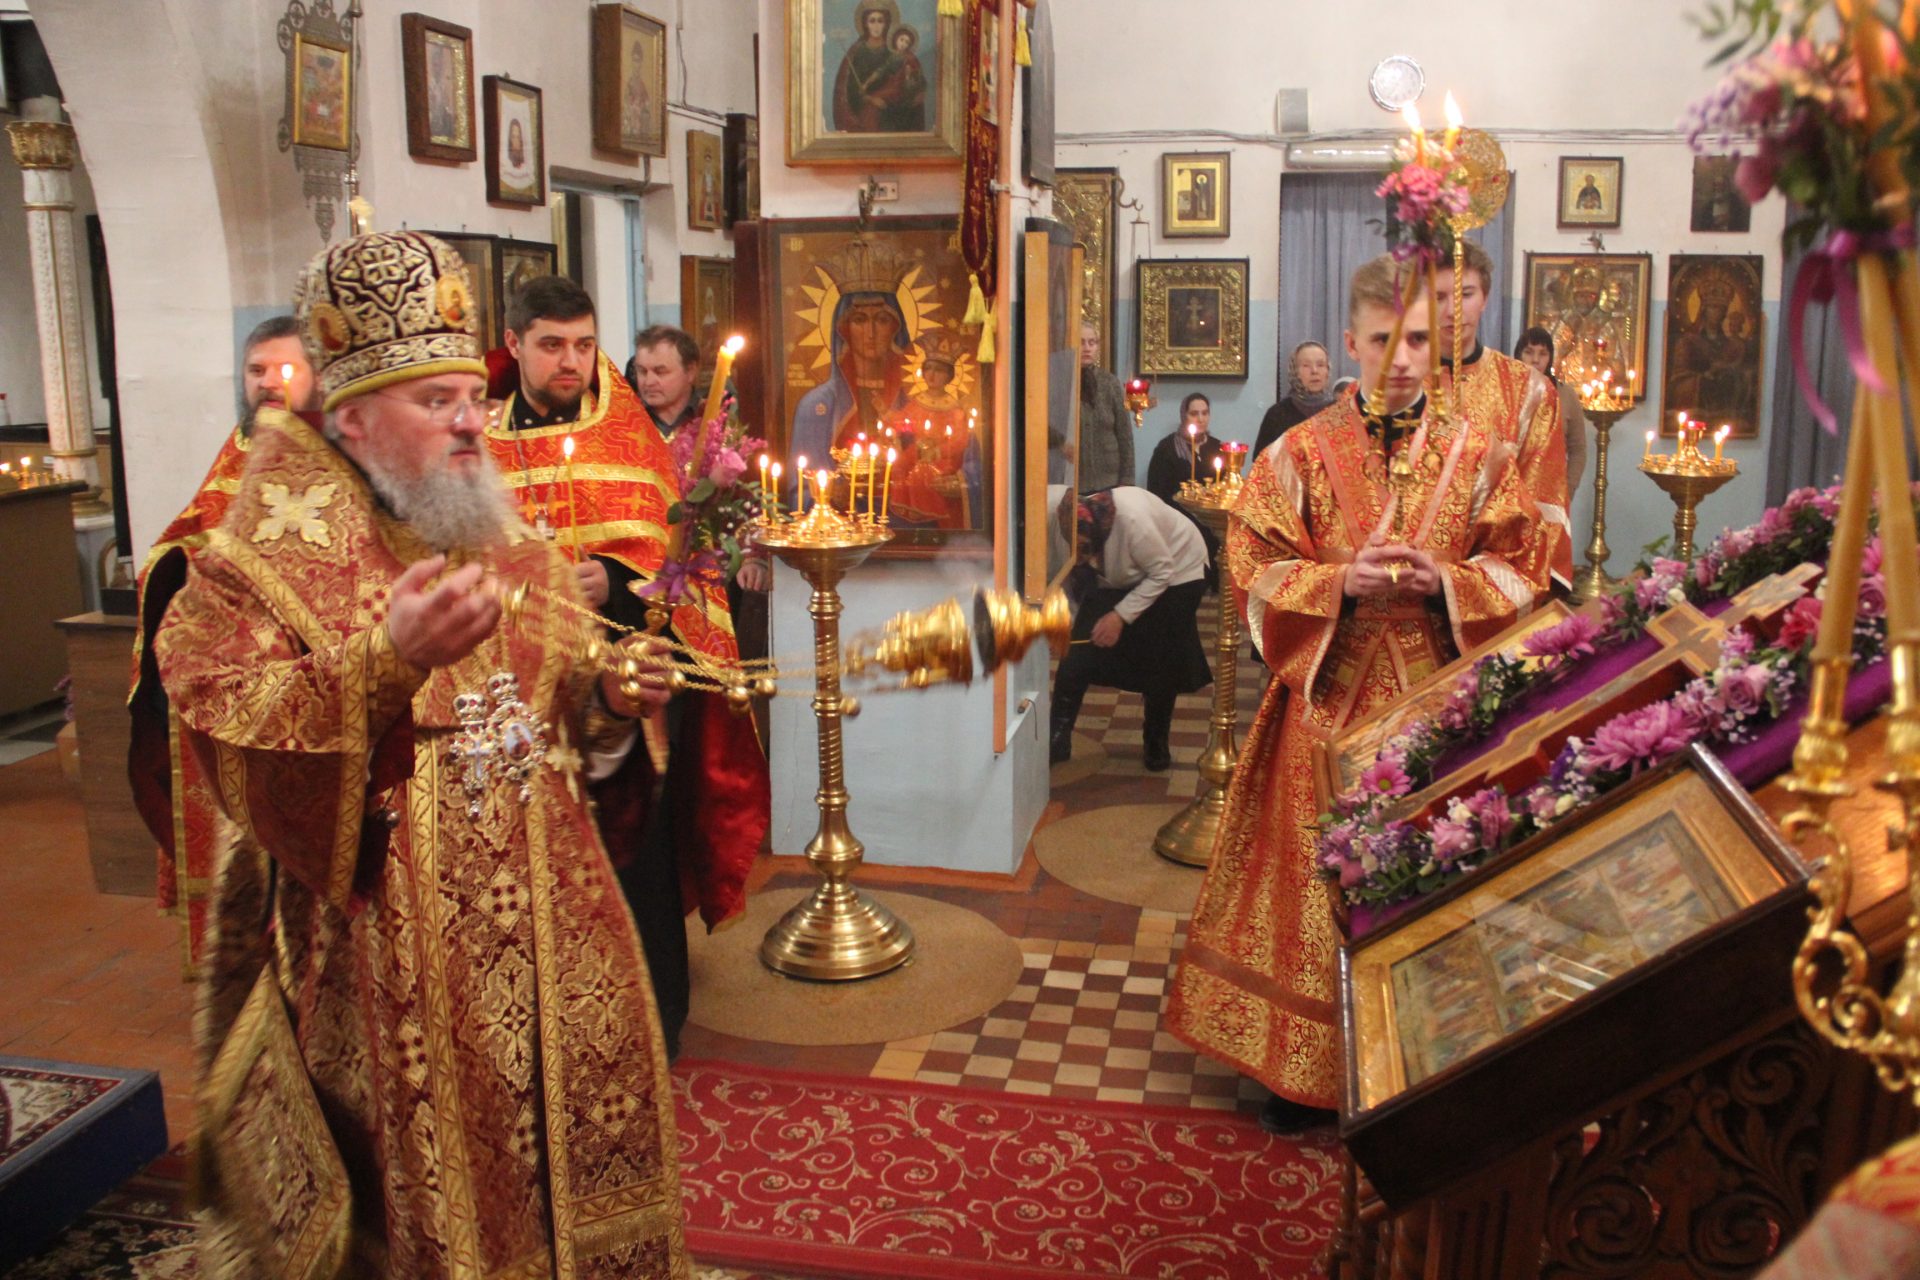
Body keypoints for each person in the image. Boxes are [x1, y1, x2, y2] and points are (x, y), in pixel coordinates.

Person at [149, 230, 690, 1275]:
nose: (470, 420)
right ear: (352, 417)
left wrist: (614, 701)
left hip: (554, 934)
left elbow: (566, 722)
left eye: (471, 395)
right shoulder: (265, 558)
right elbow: (218, 710)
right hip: (387, 958)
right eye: (436, 399)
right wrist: (383, 662)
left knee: (555, 1171)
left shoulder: (507, 540)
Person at [1164, 254, 1552, 1135]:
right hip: (1325, 707)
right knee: (1315, 878)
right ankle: (1302, 1071)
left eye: (1417, 338)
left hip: (1437, 709)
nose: (1403, 359)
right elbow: (1251, 565)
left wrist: (1446, 581)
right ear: (1352, 343)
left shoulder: (1480, 455)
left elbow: (1524, 567)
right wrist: (1340, 582)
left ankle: (1422, 1055)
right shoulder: (1299, 454)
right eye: (1383, 341)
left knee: (1428, 871)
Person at [485, 277, 770, 1062]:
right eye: (551, 346)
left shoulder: (624, 436)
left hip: (627, 699)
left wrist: (611, 580)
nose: (571, 363)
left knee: (634, 861)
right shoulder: (478, 444)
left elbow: (673, 564)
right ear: (514, 345)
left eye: (583, 345)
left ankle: (654, 1023)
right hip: (518, 702)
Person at [129, 315, 318, 976]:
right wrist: (180, 572)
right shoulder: (236, 450)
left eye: (286, 368)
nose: (269, 382)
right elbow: (186, 540)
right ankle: (245, 973)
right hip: (230, 697)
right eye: (256, 370)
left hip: (306, 693)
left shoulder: (336, 455)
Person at [1434, 238, 1574, 591]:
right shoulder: (1394, 387)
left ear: (1485, 298)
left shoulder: (1530, 391)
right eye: (1438, 297)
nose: (1452, 310)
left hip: (1496, 583)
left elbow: (1541, 502)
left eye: (1466, 294)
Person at [1048, 485, 1210, 772]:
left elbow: (1162, 572)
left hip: (1178, 571)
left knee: (1160, 655)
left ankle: (1156, 740)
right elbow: (1068, 579)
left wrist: (1120, 617)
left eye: (1085, 548)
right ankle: (1057, 738)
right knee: (1076, 651)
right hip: (1121, 577)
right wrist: (1063, 625)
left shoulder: (1132, 522)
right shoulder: (1064, 518)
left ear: (1098, 534)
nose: (1080, 555)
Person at [1146, 391, 1227, 579]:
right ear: (1184, 415)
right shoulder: (1167, 449)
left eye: (1205, 413)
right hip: (1179, 523)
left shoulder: (1217, 447)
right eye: (1194, 413)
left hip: (1211, 523)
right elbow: (1156, 492)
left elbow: (1223, 487)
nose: (1200, 419)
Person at [1514, 325, 1589, 499]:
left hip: (1552, 492)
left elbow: (1578, 449)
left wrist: (1568, 488)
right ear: (1519, 355)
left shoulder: (1566, 395)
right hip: (1512, 492)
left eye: (1542, 354)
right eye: (1529, 352)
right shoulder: (1506, 392)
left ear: (1550, 358)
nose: (1535, 360)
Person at [832, 1, 917, 134]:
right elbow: (848, 90)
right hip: (863, 115)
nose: (876, 26)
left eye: (880, 21)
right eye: (872, 21)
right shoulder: (856, 52)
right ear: (865, 24)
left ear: (887, 23)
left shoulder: (894, 52)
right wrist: (869, 98)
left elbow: (903, 88)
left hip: (891, 114)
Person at [1076, 321, 1135, 492]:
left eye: (1092, 342)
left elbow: (1125, 435)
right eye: (1081, 342)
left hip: (1109, 481)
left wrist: (1127, 481)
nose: (1087, 348)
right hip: (1072, 482)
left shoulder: (1110, 383)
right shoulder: (1061, 381)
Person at [1254, 340, 1336, 457]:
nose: (1314, 371)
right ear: (1295, 372)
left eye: (1320, 365)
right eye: (1306, 365)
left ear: (1328, 370)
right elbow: (1261, 461)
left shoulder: (1339, 412)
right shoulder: (1277, 414)